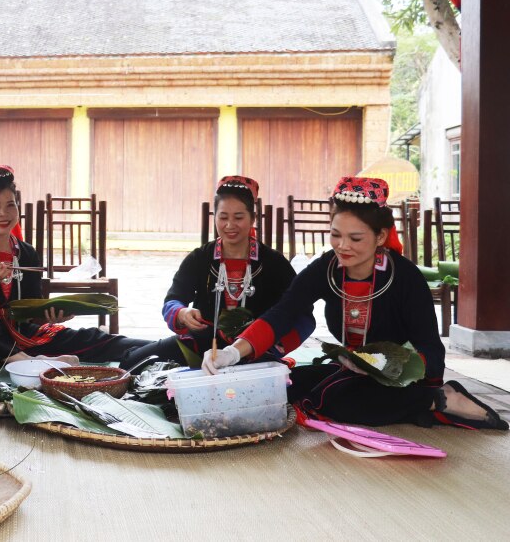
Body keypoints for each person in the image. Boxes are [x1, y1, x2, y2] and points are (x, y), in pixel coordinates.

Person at [202, 176, 508, 430]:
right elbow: (284, 313)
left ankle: (438, 399)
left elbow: (431, 350)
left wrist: (384, 364)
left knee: (335, 402)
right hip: (351, 370)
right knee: (285, 385)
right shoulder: (327, 268)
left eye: (356, 238)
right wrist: (233, 351)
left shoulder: (405, 278)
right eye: (335, 235)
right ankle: (405, 408)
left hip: (400, 378)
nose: (342, 246)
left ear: (380, 236)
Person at [0, 165, 176, 373]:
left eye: (10, 205)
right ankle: (22, 361)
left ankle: (171, 347)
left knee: (95, 339)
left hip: (24, 336)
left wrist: (50, 314)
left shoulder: (26, 252)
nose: (3, 213)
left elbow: (30, 309)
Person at [162, 176, 299, 365]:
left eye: (239, 217)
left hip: (255, 350)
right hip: (202, 344)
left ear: (253, 218)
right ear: (215, 217)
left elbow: (300, 311)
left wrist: (277, 344)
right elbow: (173, 300)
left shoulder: (274, 263)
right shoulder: (200, 258)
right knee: (137, 360)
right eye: (223, 217)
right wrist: (182, 313)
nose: (229, 225)